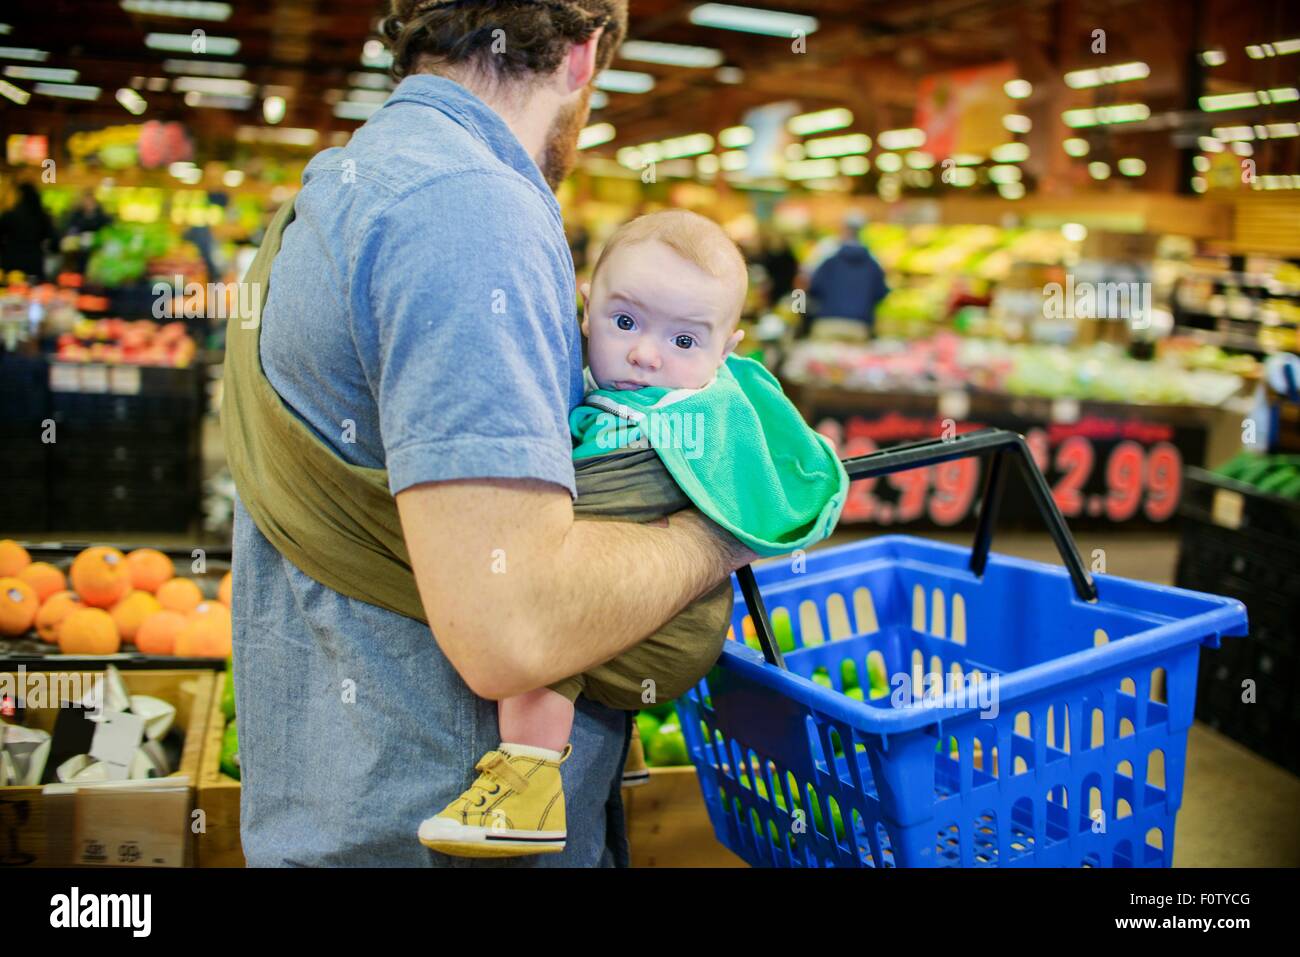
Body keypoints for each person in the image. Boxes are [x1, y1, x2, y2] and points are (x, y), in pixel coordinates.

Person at [221, 0, 758, 867]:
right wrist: (722, 530)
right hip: (432, 831)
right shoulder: (472, 212)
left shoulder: (353, 176)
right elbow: (514, 630)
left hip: (344, 807)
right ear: (583, 58)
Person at [417, 210, 846, 856]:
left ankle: (528, 783)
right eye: (624, 322)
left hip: (674, 622)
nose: (645, 354)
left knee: (541, 636)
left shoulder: (694, 416)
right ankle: (623, 737)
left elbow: (779, 470)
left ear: (726, 351)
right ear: (586, 309)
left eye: (683, 342)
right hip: (658, 619)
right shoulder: (624, 388)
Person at [806, 213, 889, 340]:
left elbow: (812, 288)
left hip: (827, 323)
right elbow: (881, 293)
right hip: (860, 326)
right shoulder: (873, 263)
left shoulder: (828, 259)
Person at [0, 182, 57, 282]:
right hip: (34, 264)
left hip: (11, 265)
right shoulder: (42, 217)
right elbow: (54, 242)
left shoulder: (9, 215)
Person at [61, 189, 111, 275]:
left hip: (96, 249)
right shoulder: (76, 215)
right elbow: (70, 227)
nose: (87, 203)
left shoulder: (101, 215)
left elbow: (107, 228)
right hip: (79, 249)